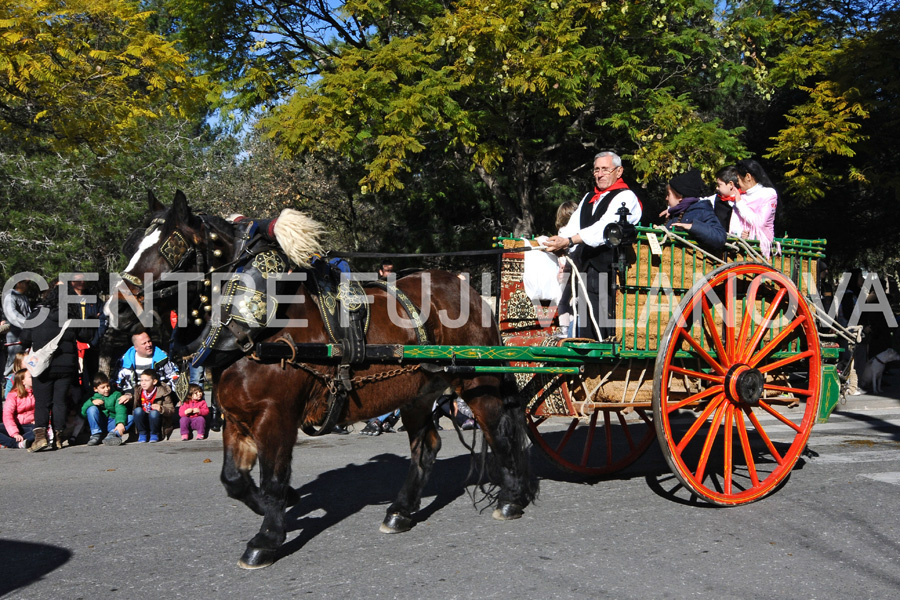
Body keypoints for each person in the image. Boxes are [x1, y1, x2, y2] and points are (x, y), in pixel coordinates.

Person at [543, 151, 643, 340]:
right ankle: (587, 364)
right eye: (596, 170)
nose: (599, 174)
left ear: (619, 171)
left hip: (609, 270)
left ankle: (604, 361)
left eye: (605, 169)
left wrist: (570, 240)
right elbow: (573, 225)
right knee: (585, 321)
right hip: (585, 269)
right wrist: (557, 241)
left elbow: (605, 227)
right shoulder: (589, 197)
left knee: (602, 322)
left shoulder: (626, 197)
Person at [660, 169, 727, 253]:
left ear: (679, 196)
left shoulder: (702, 211)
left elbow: (719, 237)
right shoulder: (674, 213)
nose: (666, 198)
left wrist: (692, 226)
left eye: (668, 194)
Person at [729, 158, 778, 258]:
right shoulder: (741, 197)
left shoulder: (769, 194)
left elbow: (760, 223)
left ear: (748, 177)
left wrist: (740, 203)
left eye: (738, 178)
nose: (737, 182)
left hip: (762, 253)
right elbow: (733, 227)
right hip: (741, 251)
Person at [81, 373, 132, 446]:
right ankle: (95, 435)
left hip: (112, 422)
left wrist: (120, 423)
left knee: (130, 418)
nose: (106, 389)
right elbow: (83, 412)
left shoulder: (116, 394)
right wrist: (91, 402)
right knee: (92, 409)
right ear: (95, 389)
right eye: (103, 387)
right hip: (99, 422)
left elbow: (120, 409)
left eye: (108, 386)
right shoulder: (91, 396)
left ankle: (112, 435)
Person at [555, 201, 579, 337]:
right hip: (578, 267)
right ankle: (572, 328)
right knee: (574, 299)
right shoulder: (580, 229)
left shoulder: (563, 231)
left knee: (563, 300)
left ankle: (565, 329)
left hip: (567, 268)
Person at [133, 368, 175, 443]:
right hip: (144, 418)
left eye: (146, 380)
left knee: (154, 413)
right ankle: (142, 434)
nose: (143, 383)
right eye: (141, 380)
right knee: (137, 411)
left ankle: (154, 434)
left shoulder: (163, 391)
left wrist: (161, 409)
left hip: (157, 420)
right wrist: (128, 396)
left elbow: (171, 410)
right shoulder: (138, 390)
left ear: (154, 381)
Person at [0, 369, 36, 449]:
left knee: (39, 430)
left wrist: (38, 419)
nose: (34, 378)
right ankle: (15, 443)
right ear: (22, 381)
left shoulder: (38, 393)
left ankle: (19, 442)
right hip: (15, 425)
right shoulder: (13, 395)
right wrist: (14, 433)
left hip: (31, 425)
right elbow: (7, 415)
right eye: (31, 377)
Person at [3, 279, 32, 378]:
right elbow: (12, 314)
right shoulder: (10, 295)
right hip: (15, 335)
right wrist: (28, 323)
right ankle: (7, 384)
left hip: (26, 334)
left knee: (24, 362)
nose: (28, 286)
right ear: (19, 283)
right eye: (26, 283)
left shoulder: (24, 297)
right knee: (13, 361)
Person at [704, 166, 740, 231]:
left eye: (719, 185)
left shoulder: (743, 201)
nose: (717, 188)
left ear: (731, 185)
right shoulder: (715, 200)